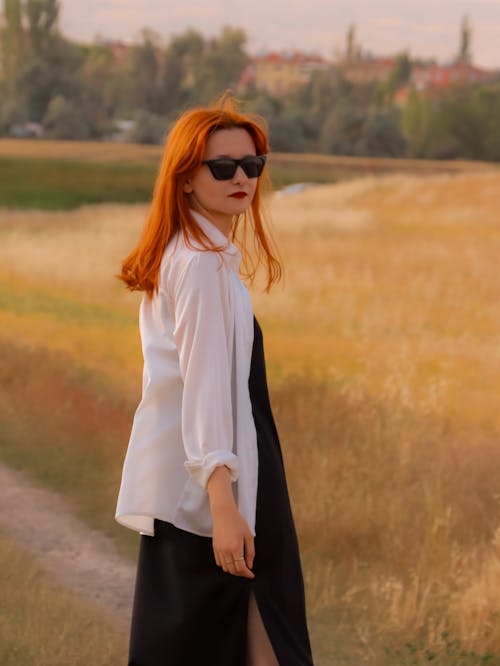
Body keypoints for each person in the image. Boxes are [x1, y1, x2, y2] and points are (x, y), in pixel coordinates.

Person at [115, 97, 315, 665]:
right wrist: (224, 507)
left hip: (216, 481)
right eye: (222, 167)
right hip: (216, 490)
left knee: (250, 635)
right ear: (185, 179)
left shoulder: (197, 255)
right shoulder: (200, 262)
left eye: (252, 165)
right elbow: (202, 391)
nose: (241, 179)